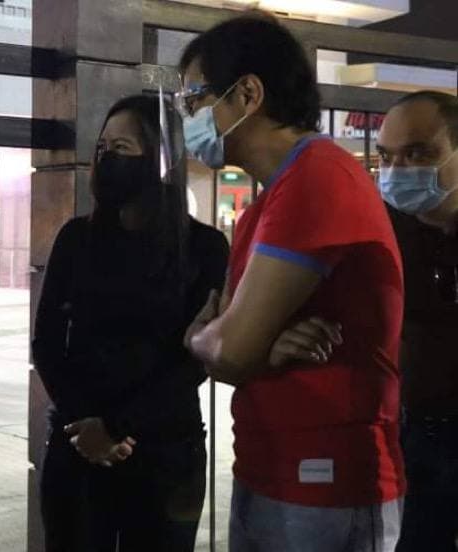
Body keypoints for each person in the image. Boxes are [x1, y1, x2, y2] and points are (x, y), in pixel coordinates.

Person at [179, 15, 406, 551]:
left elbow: (230, 351)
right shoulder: (263, 208)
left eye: (195, 98)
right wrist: (252, 346)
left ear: (248, 94)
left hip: (326, 485)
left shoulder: (318, 177)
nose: (189, 118)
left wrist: (200, 338)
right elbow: (231, 353)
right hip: (269, 470)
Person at [33, 94, 229, 552]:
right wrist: (86, 426)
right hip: (79, 444)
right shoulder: (76, 238)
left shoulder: (204, 247)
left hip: (165, 452)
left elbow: (195, 358)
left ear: (160, 158)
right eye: (102, 148)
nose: (106, 158)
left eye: (122, 148)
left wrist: (117, 426)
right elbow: (47, 342)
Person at [376, 90, 458, 551]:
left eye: (418, 153)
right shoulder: (381, 228)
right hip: (413, 431)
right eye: (386, 156)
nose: (397, 171)